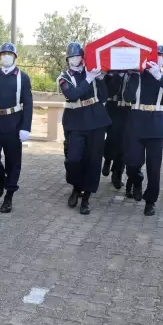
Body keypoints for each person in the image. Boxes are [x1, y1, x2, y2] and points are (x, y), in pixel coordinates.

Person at [123, 45, 163, 216]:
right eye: (158, 55)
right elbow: (127, 97)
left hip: (156, 125)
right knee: (132, 162)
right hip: (136, 122)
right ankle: (136, 179)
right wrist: (131, 76)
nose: (160, 58)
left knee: (154, 167)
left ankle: (150, 201)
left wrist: (159, 76)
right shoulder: (137, 74)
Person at [58, 42, 110, 215]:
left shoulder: (93, 72)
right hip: (75, 120)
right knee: (73, 159)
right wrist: (88, 79)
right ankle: (76, 186)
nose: (75, 59)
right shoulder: (64, 77)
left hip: (96, 118)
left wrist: (100, 79)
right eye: (72, 57)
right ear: (68, 59)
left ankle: (86, 197)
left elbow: (104, 96)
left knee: (93, 159)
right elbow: (72, 95)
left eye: (78, 56)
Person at [0, 43, 32, 213]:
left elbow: (29, 103)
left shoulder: (22, 77)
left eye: (10, 54)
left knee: (13, 162)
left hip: (14, 123)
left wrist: (26, 127)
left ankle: (9, 196)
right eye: (3, 54)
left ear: (15, 57)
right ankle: (1, 179)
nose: (6, 57)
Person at [102, 71, 131, 189]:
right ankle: (108, 158)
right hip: (112, 107)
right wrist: (117, 75)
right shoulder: (110, 70)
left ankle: (117, 174)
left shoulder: (135, 72)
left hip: (128, 110)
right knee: (111, 138)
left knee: (123, 145)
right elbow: (109, 91)